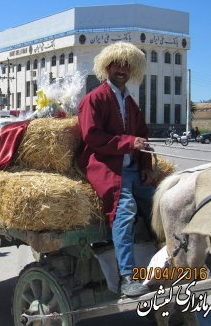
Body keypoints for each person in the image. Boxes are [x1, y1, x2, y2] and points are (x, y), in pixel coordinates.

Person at [77, 42, 155, 297]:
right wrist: (127, 143)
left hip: (132, 168)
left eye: (126, 65)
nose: (122, 69)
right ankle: (127, 278)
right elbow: (92, 136)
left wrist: (145, 165)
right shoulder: (94, 99)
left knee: (158, 202)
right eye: (117, 64)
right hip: (105, 166)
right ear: (107, 67)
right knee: (125, 209)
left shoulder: (130, 103)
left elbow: (141, 136)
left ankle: (166, 264)